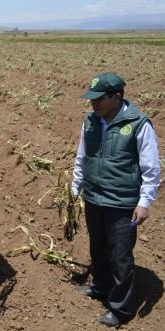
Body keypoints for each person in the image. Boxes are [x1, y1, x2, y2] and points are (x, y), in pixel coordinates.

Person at [72, 72, 160, 327]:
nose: (93, 104)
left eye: (99, 99)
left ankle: (122, 309)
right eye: (92, 99)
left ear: (117, 97)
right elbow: (82, 157)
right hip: (94, 197)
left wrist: (144, 202)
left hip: (122, 202)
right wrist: (75, 187)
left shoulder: (138, 124)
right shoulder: (90, 122)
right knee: (97, 248)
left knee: (120, 256)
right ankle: (100, 285)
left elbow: (151, 168)